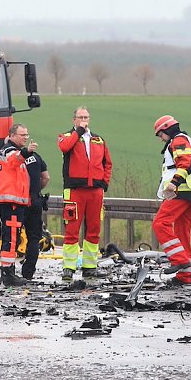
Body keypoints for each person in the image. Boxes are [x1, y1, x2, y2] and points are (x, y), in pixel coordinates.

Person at [57, 106, 113, 281]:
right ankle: (69, 267)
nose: (83, 120)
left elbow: (108, 163)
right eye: (80, 117)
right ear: (74, 120)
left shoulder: (99, 139)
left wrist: (104, 182)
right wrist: (78, 133)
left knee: (94, 229)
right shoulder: (66, 136)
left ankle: (90, 266)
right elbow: (65, 148)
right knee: (72, 228)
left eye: (86, 117)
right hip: (74, 191)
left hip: (95, 191)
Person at [152, 115, 191, 287]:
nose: (161, 139)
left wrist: (174, 184)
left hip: (183, 190)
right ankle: (185, 276)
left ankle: (180, 260)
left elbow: (184, 164)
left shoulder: (179, 140)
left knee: (160, 223)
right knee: (182, 230)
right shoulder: (187, 140)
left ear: (167, 129)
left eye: (161, 135)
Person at [0, 124, 32, 287]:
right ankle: (8, 274)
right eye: (22, 134)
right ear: (12, 136)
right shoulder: (10, 151)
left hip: (13, 202)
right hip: (11, 203)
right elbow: (14, 161)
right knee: (11, 238)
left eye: (27, 134)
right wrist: (26, 152)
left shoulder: (10, 150)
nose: (25, 137)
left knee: (11, 237)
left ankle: (8, 271)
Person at [21, 135, 50, 280]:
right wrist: (37, 189)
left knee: (12, 237)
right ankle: (28, 272)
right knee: (34, 238)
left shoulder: (13, 156)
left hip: (18, 201)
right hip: (35, 200)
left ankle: (9, 272)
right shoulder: (36, 157)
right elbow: (46, 177)